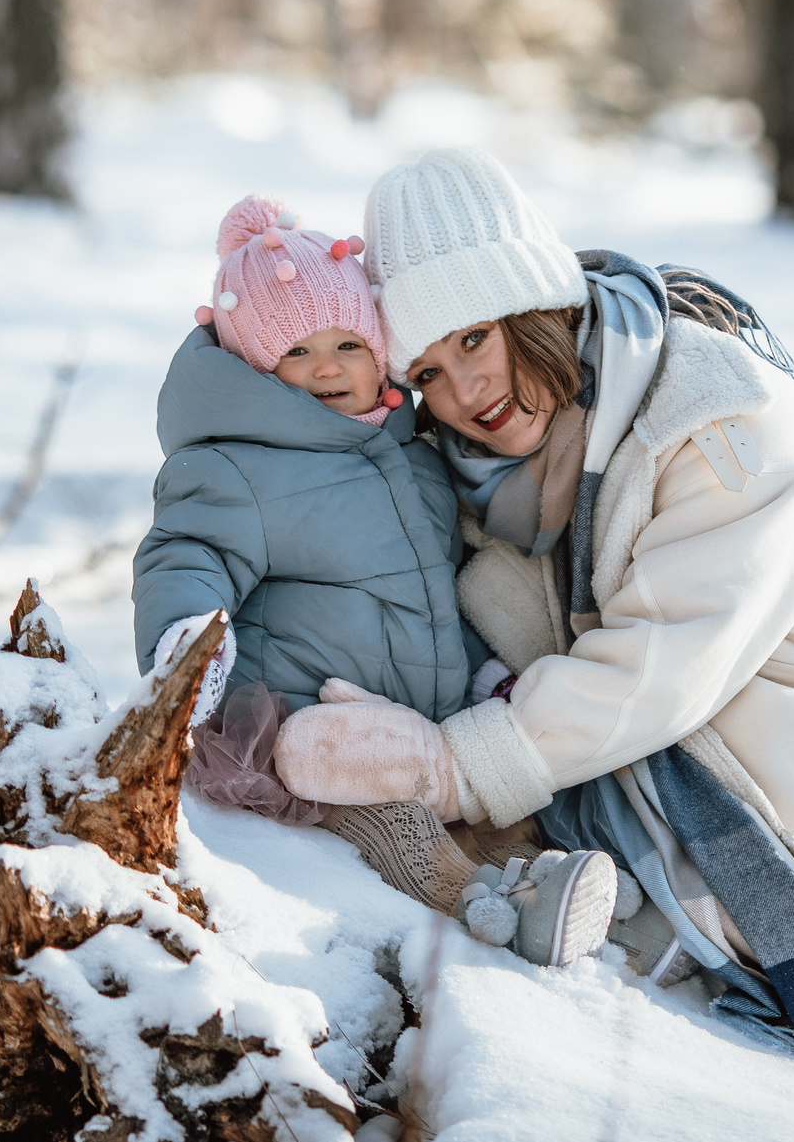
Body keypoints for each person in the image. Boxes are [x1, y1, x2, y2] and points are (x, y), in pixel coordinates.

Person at [271, 148, 794, 1068]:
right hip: (758, 727)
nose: (466, 393)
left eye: (476, 337)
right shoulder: (494, 474)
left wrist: (451, 764)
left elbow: (664, 662)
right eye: (427, 371)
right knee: (627, 832)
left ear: (537, 307)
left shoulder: (717, 418)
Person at [130, 193, 620, 967]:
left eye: (348, 343)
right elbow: (184, 553)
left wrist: (485, 671)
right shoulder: (235, 465)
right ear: (256, 367)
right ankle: (480, 909)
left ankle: (548, 893)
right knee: (400, 828)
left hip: (416, 729)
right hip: (304, 734)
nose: (327, 366)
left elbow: (435, 594)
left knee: (506, 814)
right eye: (295, 351)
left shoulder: (413, 461)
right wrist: (189, 641)